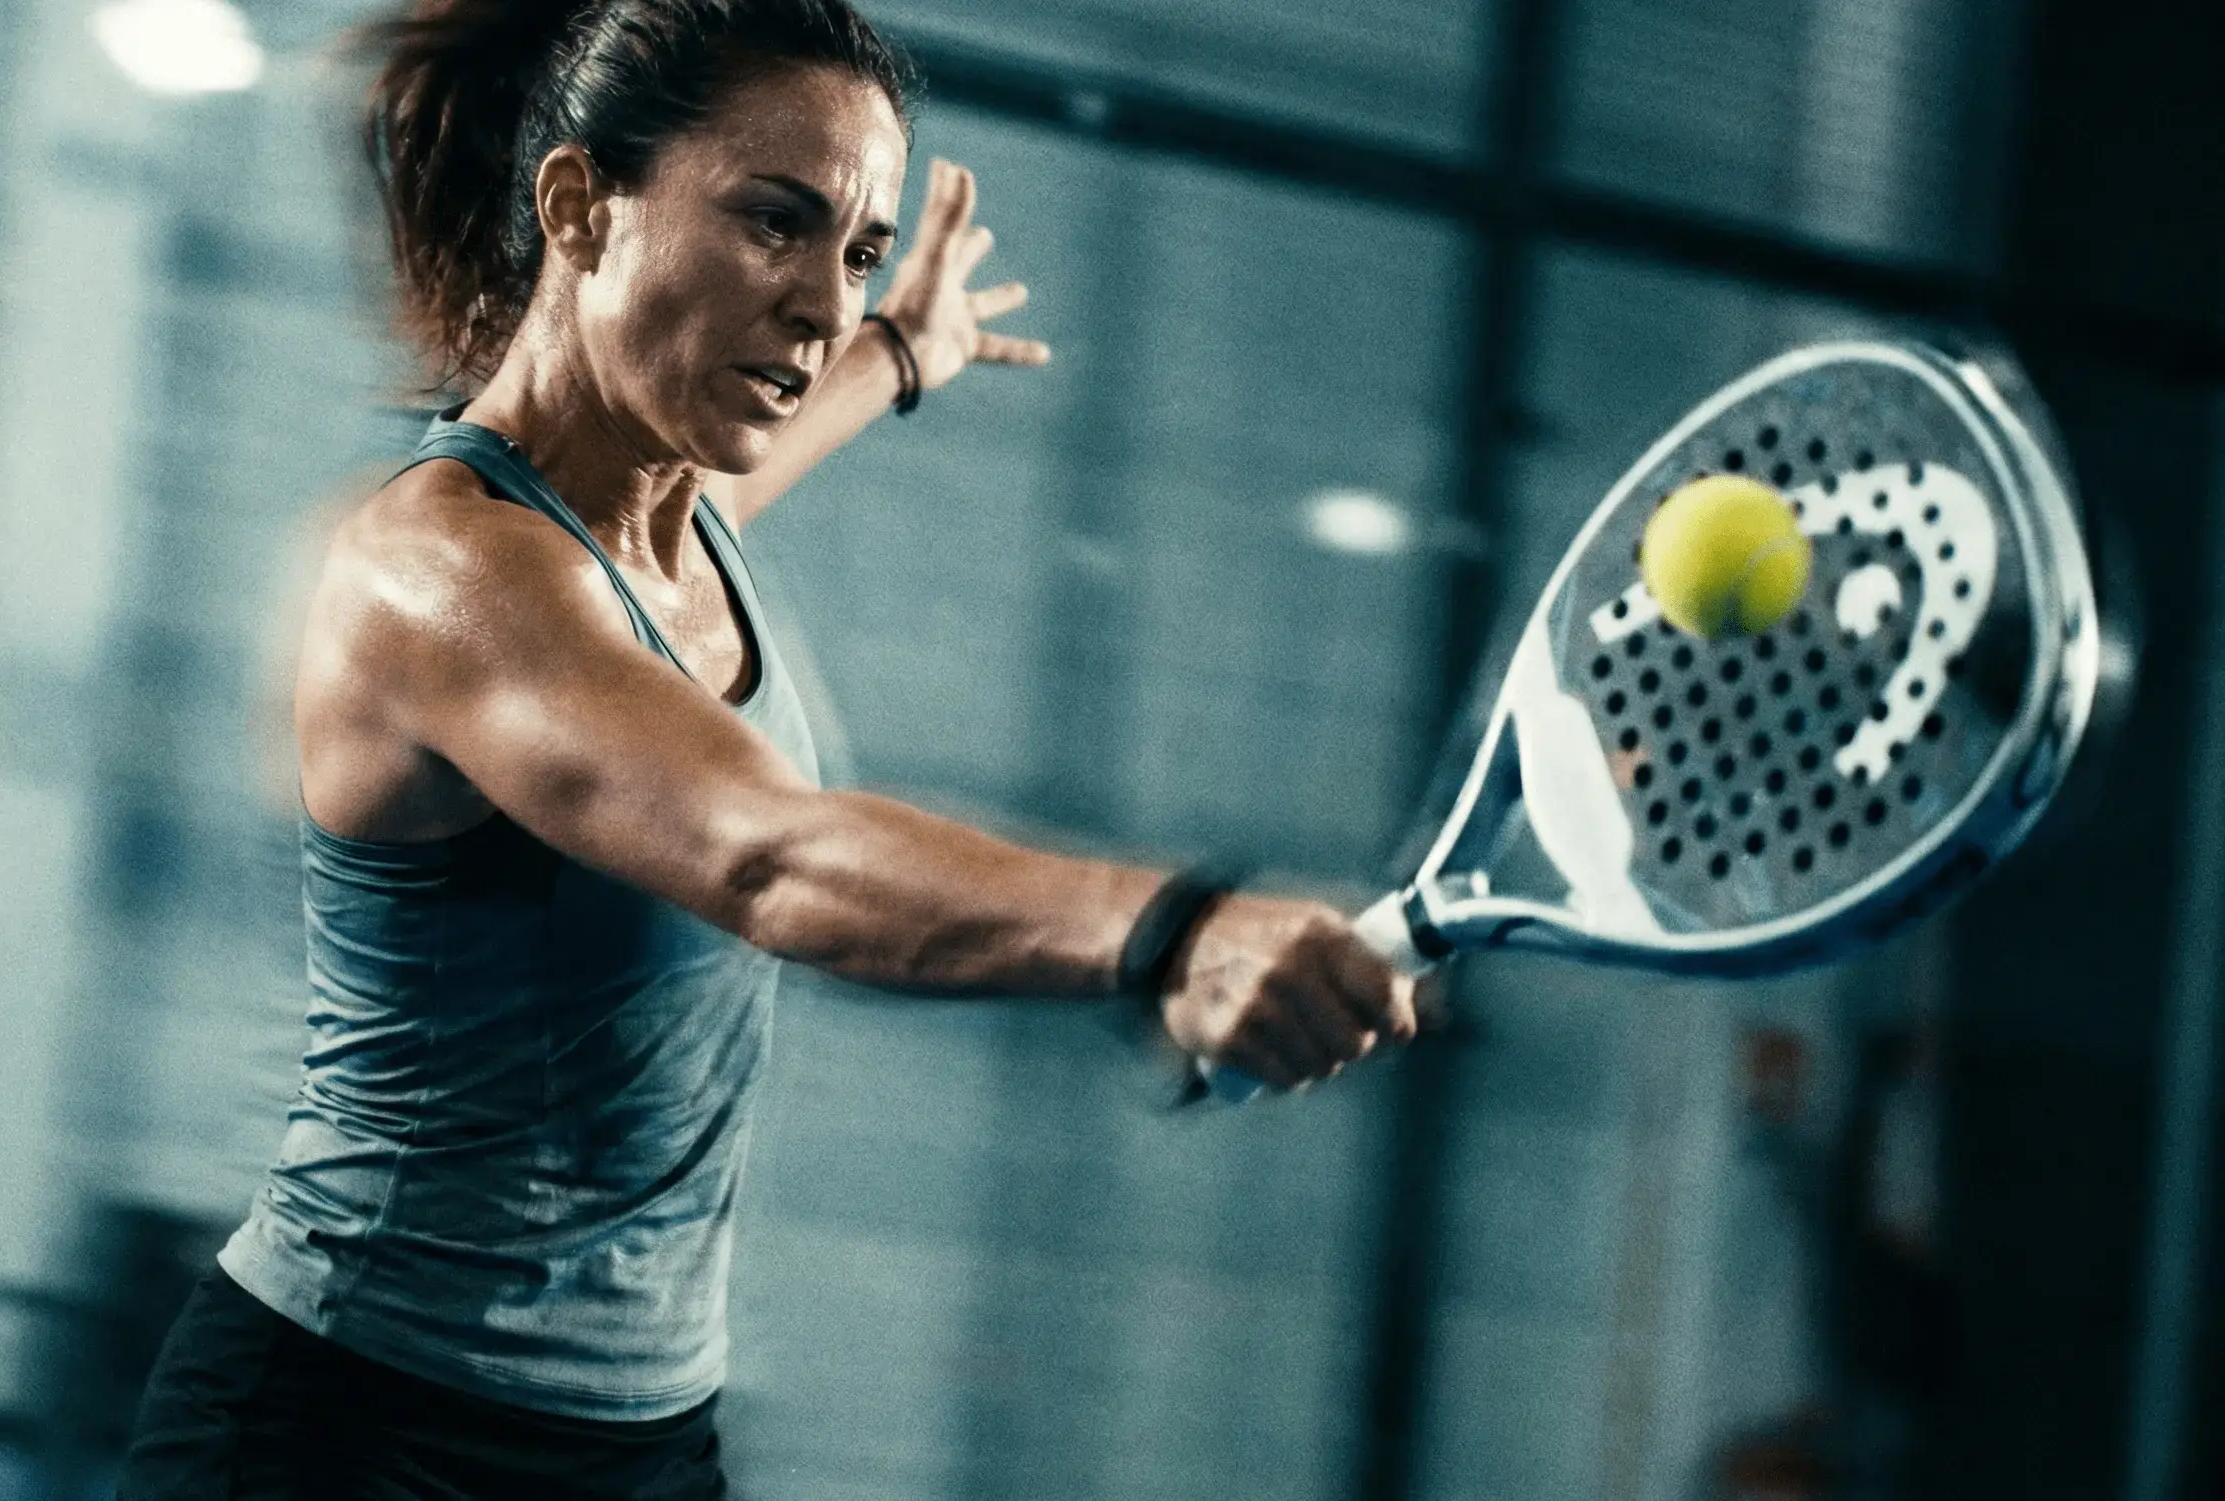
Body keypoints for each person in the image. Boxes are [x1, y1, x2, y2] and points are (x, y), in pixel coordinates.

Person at [116, 1, 1419, 1495]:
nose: (820, 302)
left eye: (855, 252)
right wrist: (1168, 932)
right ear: (578, 208)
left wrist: (902, 353)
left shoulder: (667, 533)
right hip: (349, 1433)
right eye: (772, 223)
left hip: (645, 1441)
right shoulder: (446, 577)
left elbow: (762, 436)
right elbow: (770, 857)